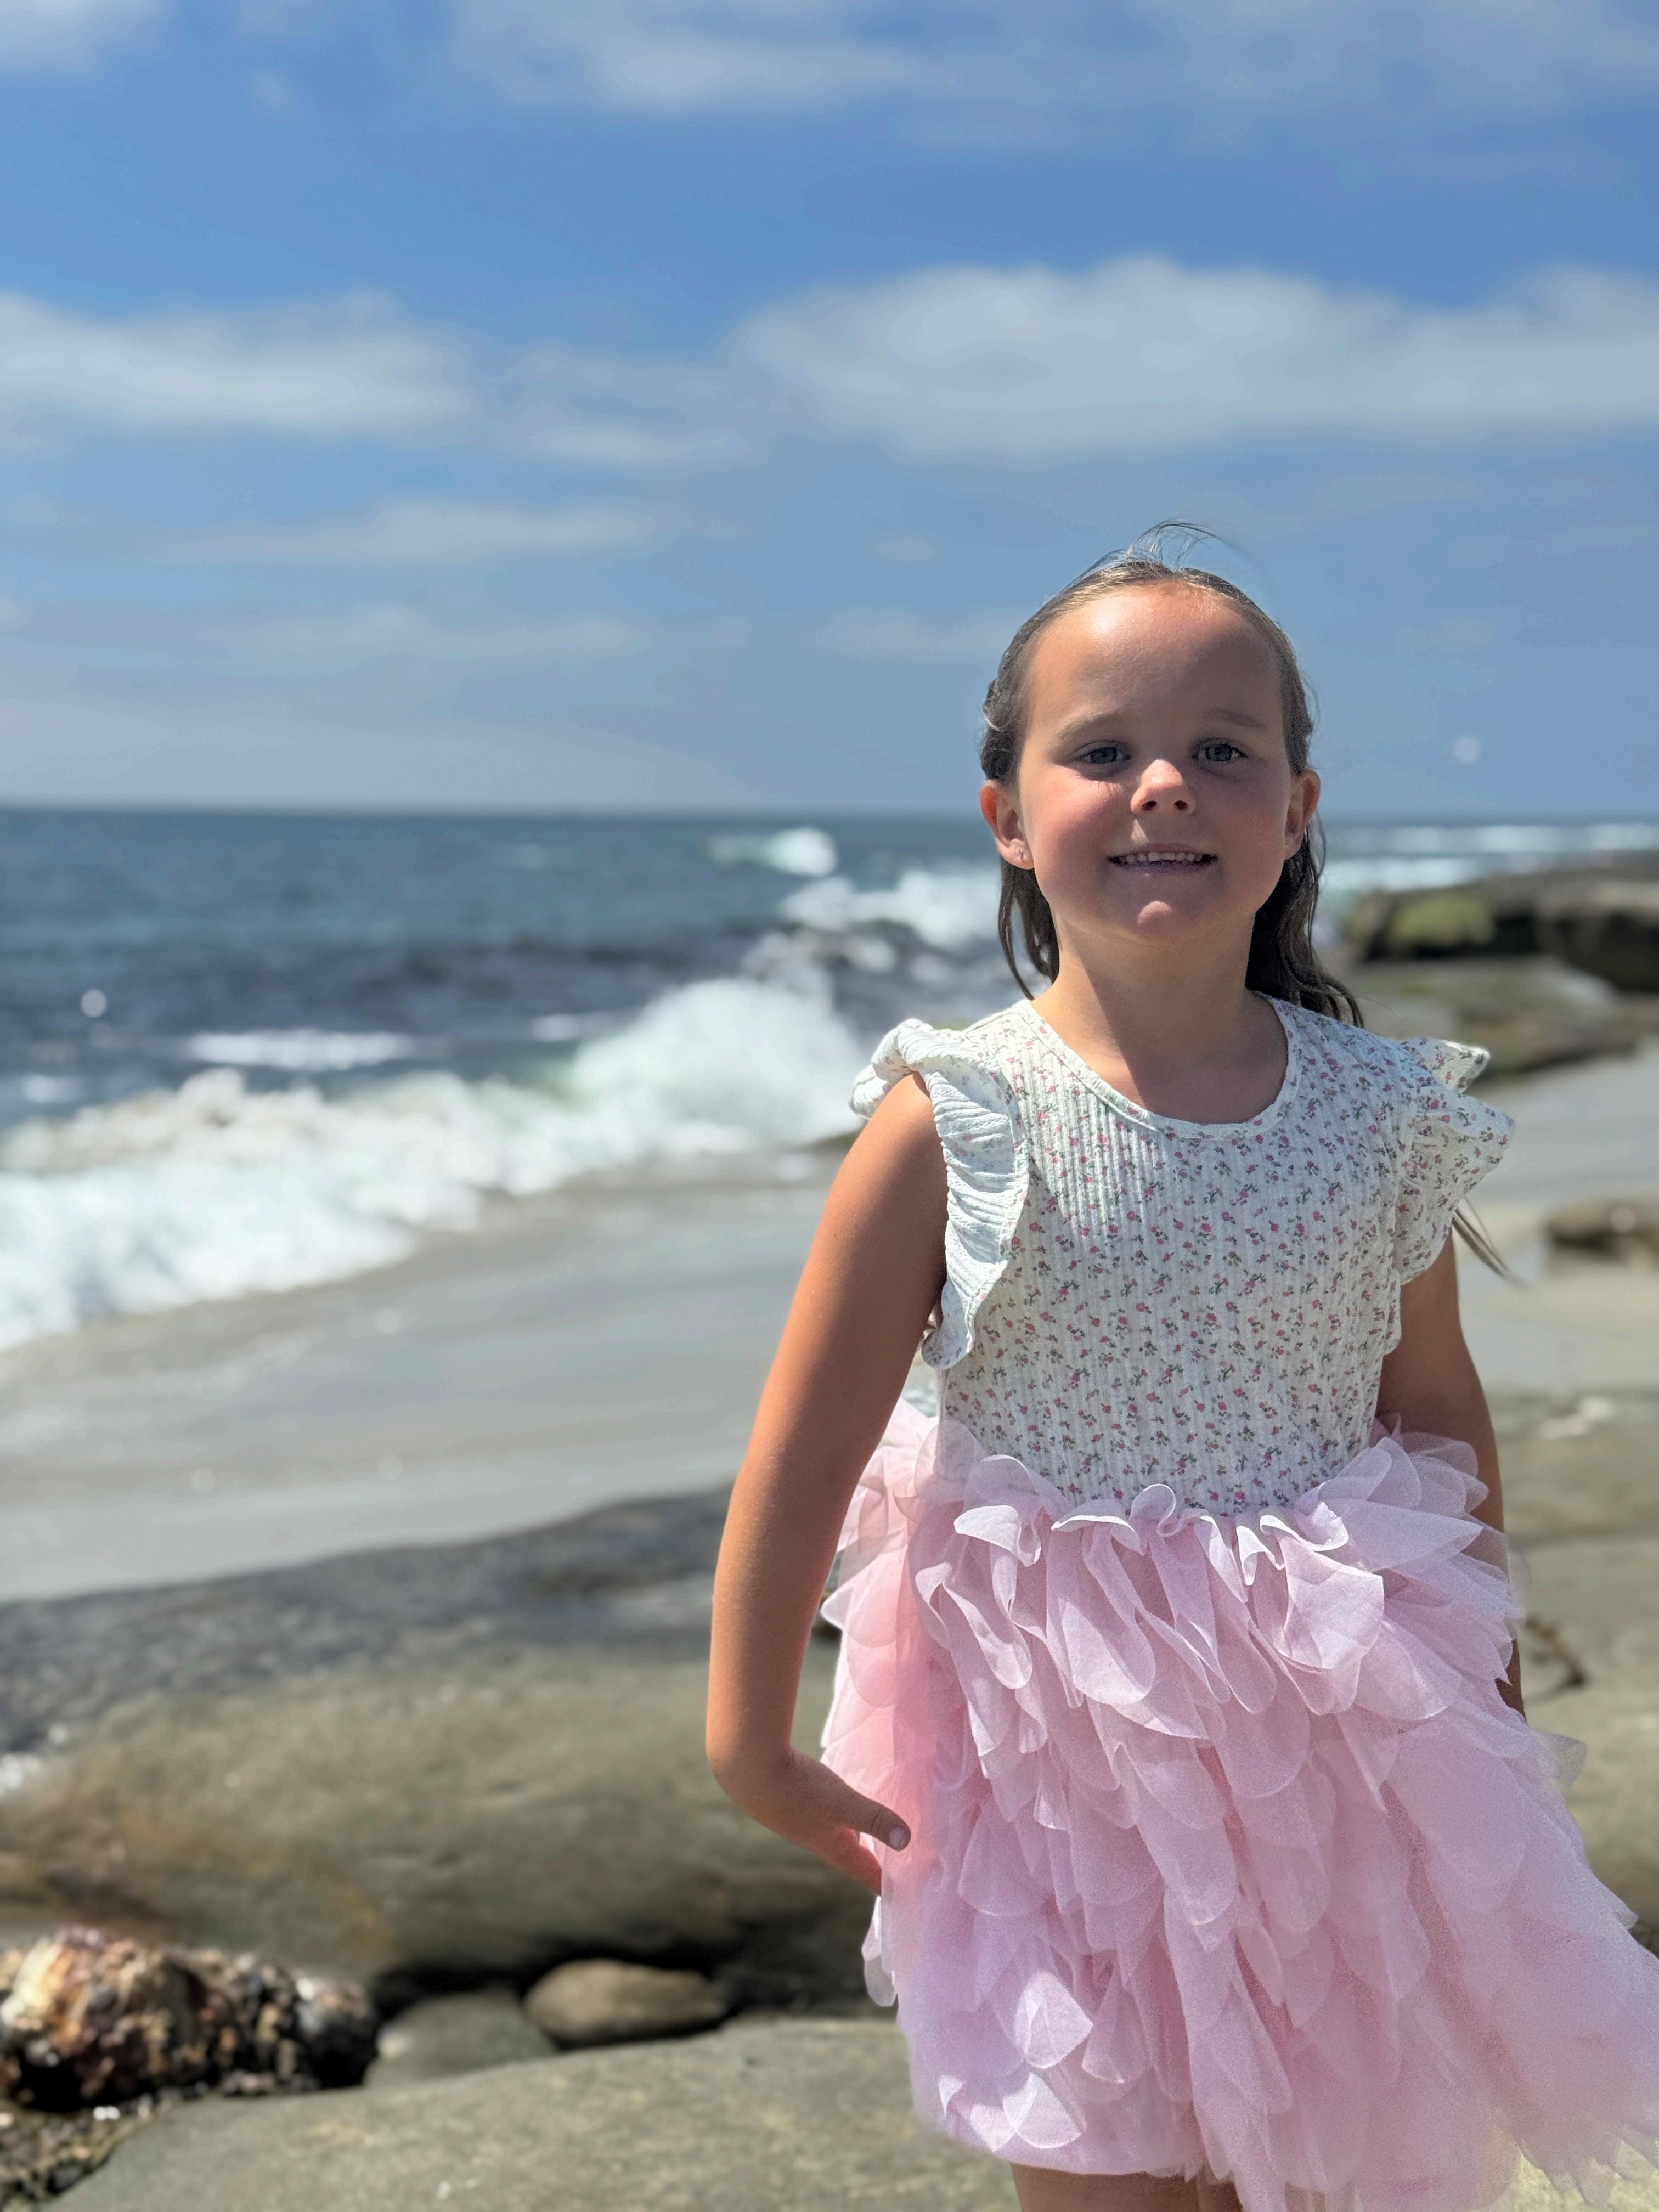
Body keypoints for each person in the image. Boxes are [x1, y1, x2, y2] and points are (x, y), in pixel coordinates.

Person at [706, 535, 1659, 2212]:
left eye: (1222, 748)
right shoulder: (958, 1118)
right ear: (1008, 814)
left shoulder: (1383, 1117)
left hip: (1338, 1741)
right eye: (1103, 750)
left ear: (1296, 809)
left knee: (1353, 2143)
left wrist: (1490, 1695)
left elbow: (1433, 1409)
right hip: (1058, 1755)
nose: (1164, 785)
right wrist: (748, 1737)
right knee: (1113, 2161)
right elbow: (806, 1446)